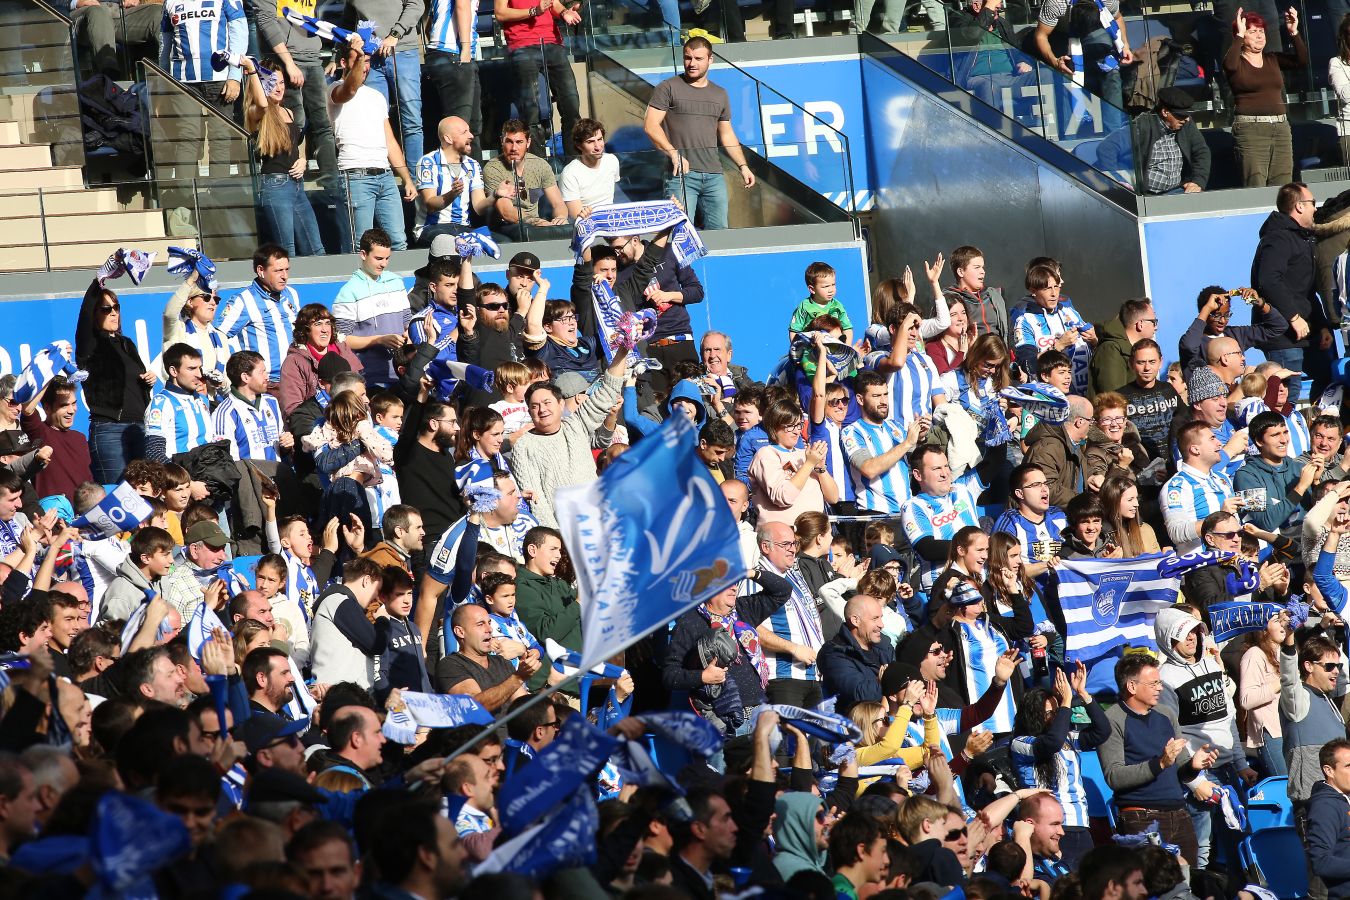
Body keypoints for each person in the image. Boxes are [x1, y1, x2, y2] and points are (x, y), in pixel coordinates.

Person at [1100, 653, 1218, 864]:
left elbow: (1180, 766)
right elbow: (1114, 776)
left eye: (1159, 682)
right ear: (1132, 687)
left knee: (1189, 885)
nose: (1160, 688)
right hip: (1140, 818)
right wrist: (1160, 763)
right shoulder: (1111, 720)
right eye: (1153, 683)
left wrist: (1193, 765)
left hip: (1179, 814)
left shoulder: (1166, 714)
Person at [511, 340, 631, 528]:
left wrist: (624, 349)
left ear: (560, 405)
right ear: (529, 412)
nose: (542, 409)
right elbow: (536, 501)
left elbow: (608, 391)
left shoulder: (576, 424)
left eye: (547, 403)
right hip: (564, 532)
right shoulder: (523, 446)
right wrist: (557, 539)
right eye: (535, 406)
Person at [644, 36, 756, 231]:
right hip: (680, 175)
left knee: (720, 232)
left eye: (698, 58)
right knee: (681, 232)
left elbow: (727, 133)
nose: (692, 63)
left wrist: (743, 165)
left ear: (710, 60)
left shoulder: (720, 94)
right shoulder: (668, 87)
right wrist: (673, 153)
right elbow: (651, 126)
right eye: (688, 58)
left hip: (714, 175)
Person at [328, 36, 417, 251]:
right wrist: (358, 58)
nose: (364, 66)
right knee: (359, 245)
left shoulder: (377, 96)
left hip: (385, 176)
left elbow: (389, 141)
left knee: (398, 242)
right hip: (354, 175)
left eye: (367, 61)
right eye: (359, 60)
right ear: (343, 63)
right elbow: (349, 90)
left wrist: (406, 178)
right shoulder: (333, 89)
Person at [241, 56, 324, 258]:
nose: (279, 88)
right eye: (272, 83)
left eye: (281, 82)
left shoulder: (289, 112)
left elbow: (297, 144)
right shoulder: (256, 111)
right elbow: (262, 103)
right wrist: (253, 71)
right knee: (287, 250)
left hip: (297, 184)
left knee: (316, 248)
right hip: (275, 185)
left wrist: (303, 160)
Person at [77, 264, 153, 482]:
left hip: (138, 426)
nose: (113, 313)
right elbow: (83, 317)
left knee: (143, 495)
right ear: (95, 313)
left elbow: (132, 382)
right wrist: (98, 280)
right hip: (109, 429)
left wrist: (149, 380)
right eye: (106, 309)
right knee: (115, 494)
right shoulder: (90, 344)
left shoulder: (127, 343)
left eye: (116, 307)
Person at [1252, 182, 1331, 380]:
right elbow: (1268, 280)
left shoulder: (1304, 239)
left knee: (1329, 387)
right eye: (1312, 202)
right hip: (1283, 337)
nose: (1315, 208)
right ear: (1299, 206)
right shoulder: (1278, 238)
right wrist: (1293, 318)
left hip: (1310, 334)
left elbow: (1306, 291)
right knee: (1285, 395)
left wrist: (1322, 326)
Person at [1226, 9, 1307, 187]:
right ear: (1242, 35)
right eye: (1253, 31)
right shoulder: (1236, 61)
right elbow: (1229, 65)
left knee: (1284, 184)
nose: (1259, 35)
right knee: (1256, 183)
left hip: (1280, 127)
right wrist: (1238, 36)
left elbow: (1301, 61)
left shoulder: (1273, 59)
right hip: (1251, 129)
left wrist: (1294, 32)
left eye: (1261, 31)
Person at [341, 0, 425, 167]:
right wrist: (336, 56)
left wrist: (395, 34)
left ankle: (416, 181)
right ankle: (381, 174)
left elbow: (416, 4)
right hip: (369, 56)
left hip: (402, 50)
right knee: (375, 120)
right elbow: (348, 21)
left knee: (411, 119)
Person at [1032, 0, 1131, 131]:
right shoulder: (1057, 2)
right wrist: (1055, 61)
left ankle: (1114, 132)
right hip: (1064, 37)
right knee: (1068, 74)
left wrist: (1125, 46)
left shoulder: (1107, 1)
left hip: (1096, 31)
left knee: (1112, 73)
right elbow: (1041, 35)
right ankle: (1072, 132)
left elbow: (1117, 18)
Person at [332, 228, 411, 387]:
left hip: (402, 375)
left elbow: (407, 323)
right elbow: (341, 340)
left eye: (387, 258)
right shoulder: (348, 292)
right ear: (363, 254)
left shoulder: (397, 282)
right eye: (378, 258)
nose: (384, 263)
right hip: (369, 378)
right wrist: (378, 340)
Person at [215, 244, 302, 389]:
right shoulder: (243, 300)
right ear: (261, 270)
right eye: (278, 271)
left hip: (296, 378)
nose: (284, 276)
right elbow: (218, 335)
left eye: (287, 270)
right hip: (269, 382)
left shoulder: (291, 294)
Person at [1098, 88, 1210, 195]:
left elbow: (1201, 151)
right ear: (1165, 112)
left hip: (1179, 190)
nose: (1187, 119)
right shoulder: (1142, 126)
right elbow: (1106, 148)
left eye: (1188, 114)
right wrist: (1118, 181)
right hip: (1148, 195)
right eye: (1182, 115)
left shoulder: (1186, 124)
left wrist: (1197, 182)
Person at [416, 117, 502, 245]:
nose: (471, 136)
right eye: (464, 132)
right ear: (448, 138)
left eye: (470, 131)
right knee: (454, 244)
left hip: (463, 229)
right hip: (433, 227)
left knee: (503, 243)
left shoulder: (472, 164)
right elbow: (431, 205)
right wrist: (452, 194)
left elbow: (478, 207)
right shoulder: (428, 162)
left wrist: (495, 195)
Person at [1233, 410, 1320, 536]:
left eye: (1285, 432)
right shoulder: (1245, 477)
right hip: (1275, 549)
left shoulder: (1299, 467)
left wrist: (1316, 483)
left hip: (1308, 540)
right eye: (1275, 435)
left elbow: (1321, 512)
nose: (1284, 440)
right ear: (1259, 441)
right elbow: (1266, 523)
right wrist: (1300, 488)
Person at [438, 603, 540, 709]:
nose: (490, 629)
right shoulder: (450, 665)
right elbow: (474, 706)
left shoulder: (502, 663)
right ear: (460, 632)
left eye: (489, 623)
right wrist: (518, 677)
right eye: (480, 624)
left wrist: (549, 686)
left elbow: (525, 709)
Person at [481, 120, 570, 240]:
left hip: (535, 224)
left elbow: (558, 203)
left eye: (519, 142)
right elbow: (506, 212)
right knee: (527, 232)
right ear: (502, 141)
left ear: (528, 143)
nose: (514, 148)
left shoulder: (540, 164)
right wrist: (536, 222)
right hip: (506, 225)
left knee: (572, 227)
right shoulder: (493, 168)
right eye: (509, 142)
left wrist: (560, 217)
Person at [1161, 420, 1238, 552]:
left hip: (1233, 563)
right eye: (1212, 438)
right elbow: (1176, 533)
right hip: (1202, 568)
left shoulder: (1222, 479)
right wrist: (1220, 517)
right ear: (1195, 449)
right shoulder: (1177, 487)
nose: (1219, 443)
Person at [1178, 285, 1288, 373]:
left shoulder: (1236, 334)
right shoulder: (1196, 341)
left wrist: (1259, 303)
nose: (1222, 321)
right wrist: (1207, 308)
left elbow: (1279, 326)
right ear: (1204, 312)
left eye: (1227, 315)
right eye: (1215, 315)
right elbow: (1189, 346)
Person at [817, 594, 894, 714]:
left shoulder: (884, 645)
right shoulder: (835, 653)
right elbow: (859, 694)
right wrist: (886, 681)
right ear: (855, 620)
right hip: (855, 727)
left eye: (881, 618)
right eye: (875, 619)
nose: (881, 625)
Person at [213, 350, 291, 463]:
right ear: (245, 377)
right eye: (262, 372)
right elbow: (225, 462)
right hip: (249, 479)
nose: (267, 377)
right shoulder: (225, 413)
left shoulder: (272, 402)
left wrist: (286, 446)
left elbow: (281, 448)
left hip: (278, 477)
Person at [145, 343, 216, 464]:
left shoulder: (202, 400)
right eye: (191, 368)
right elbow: (154, 452)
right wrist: (186, 481)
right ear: (173, 371)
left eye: (200, 368)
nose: (199, 374)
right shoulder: (161, 403)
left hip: (208, 473)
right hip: (181, 477)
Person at [1240, 611, 1291, 777]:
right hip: (1272, 734)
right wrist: (1280, 682)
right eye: (1277, 621)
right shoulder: (1254, 654)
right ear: (1262, 628)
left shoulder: (1285, 652)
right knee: (1284, 786)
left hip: (1290, 730)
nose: (1283, 625)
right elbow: (1246, 700)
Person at [424, 0, 482, 140]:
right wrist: (466, 48)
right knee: (461, 130)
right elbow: (462, 5)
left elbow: (428, 23)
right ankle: (459, 162)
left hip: (445, 54)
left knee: (471, 129)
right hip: (454, 54)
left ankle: (471, 162)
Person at [1024, 395, 1092, 508]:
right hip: (1045, 520)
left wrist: (1092, 477)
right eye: (1091, 420)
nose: (1091, 425)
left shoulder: (1072, 444)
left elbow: (1076, 472)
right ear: (1079, 422)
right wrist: (1083, 500)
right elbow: (1045, 489)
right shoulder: (1048, 447)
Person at [1088, 298, 1158, 398]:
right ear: (1140, 324)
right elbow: (1114, 397)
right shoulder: (1110, 349)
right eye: (1154, 322)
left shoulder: (1131, 349)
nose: (1156, 327)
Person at [1307, 738, 1350, 900]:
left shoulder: (1345, 798)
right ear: (1329, 770)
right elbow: (1321, 862)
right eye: (1348, 766)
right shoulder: (1325, 807)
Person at [942, 245, 1008, 341]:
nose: (983, 271)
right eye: (977, 267)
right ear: (960, 272)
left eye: (982, 267)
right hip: (971, 354)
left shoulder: (993, 295)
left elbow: (1007, 332)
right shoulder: (948, 299)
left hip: (998, 353)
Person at [561, 119, 621, 218]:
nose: (598, 147)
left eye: (600, 139)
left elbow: (617, 196)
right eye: (590, 142)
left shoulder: (612, 160)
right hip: (589, 224)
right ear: (579, 145)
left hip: (611, 219)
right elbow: (577, 217)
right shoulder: (570, 173)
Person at [830, 812, 890, 900]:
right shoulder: (841, 896)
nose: (886, 860)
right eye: (883, 851)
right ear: (861, 850)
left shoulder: (839, 891)